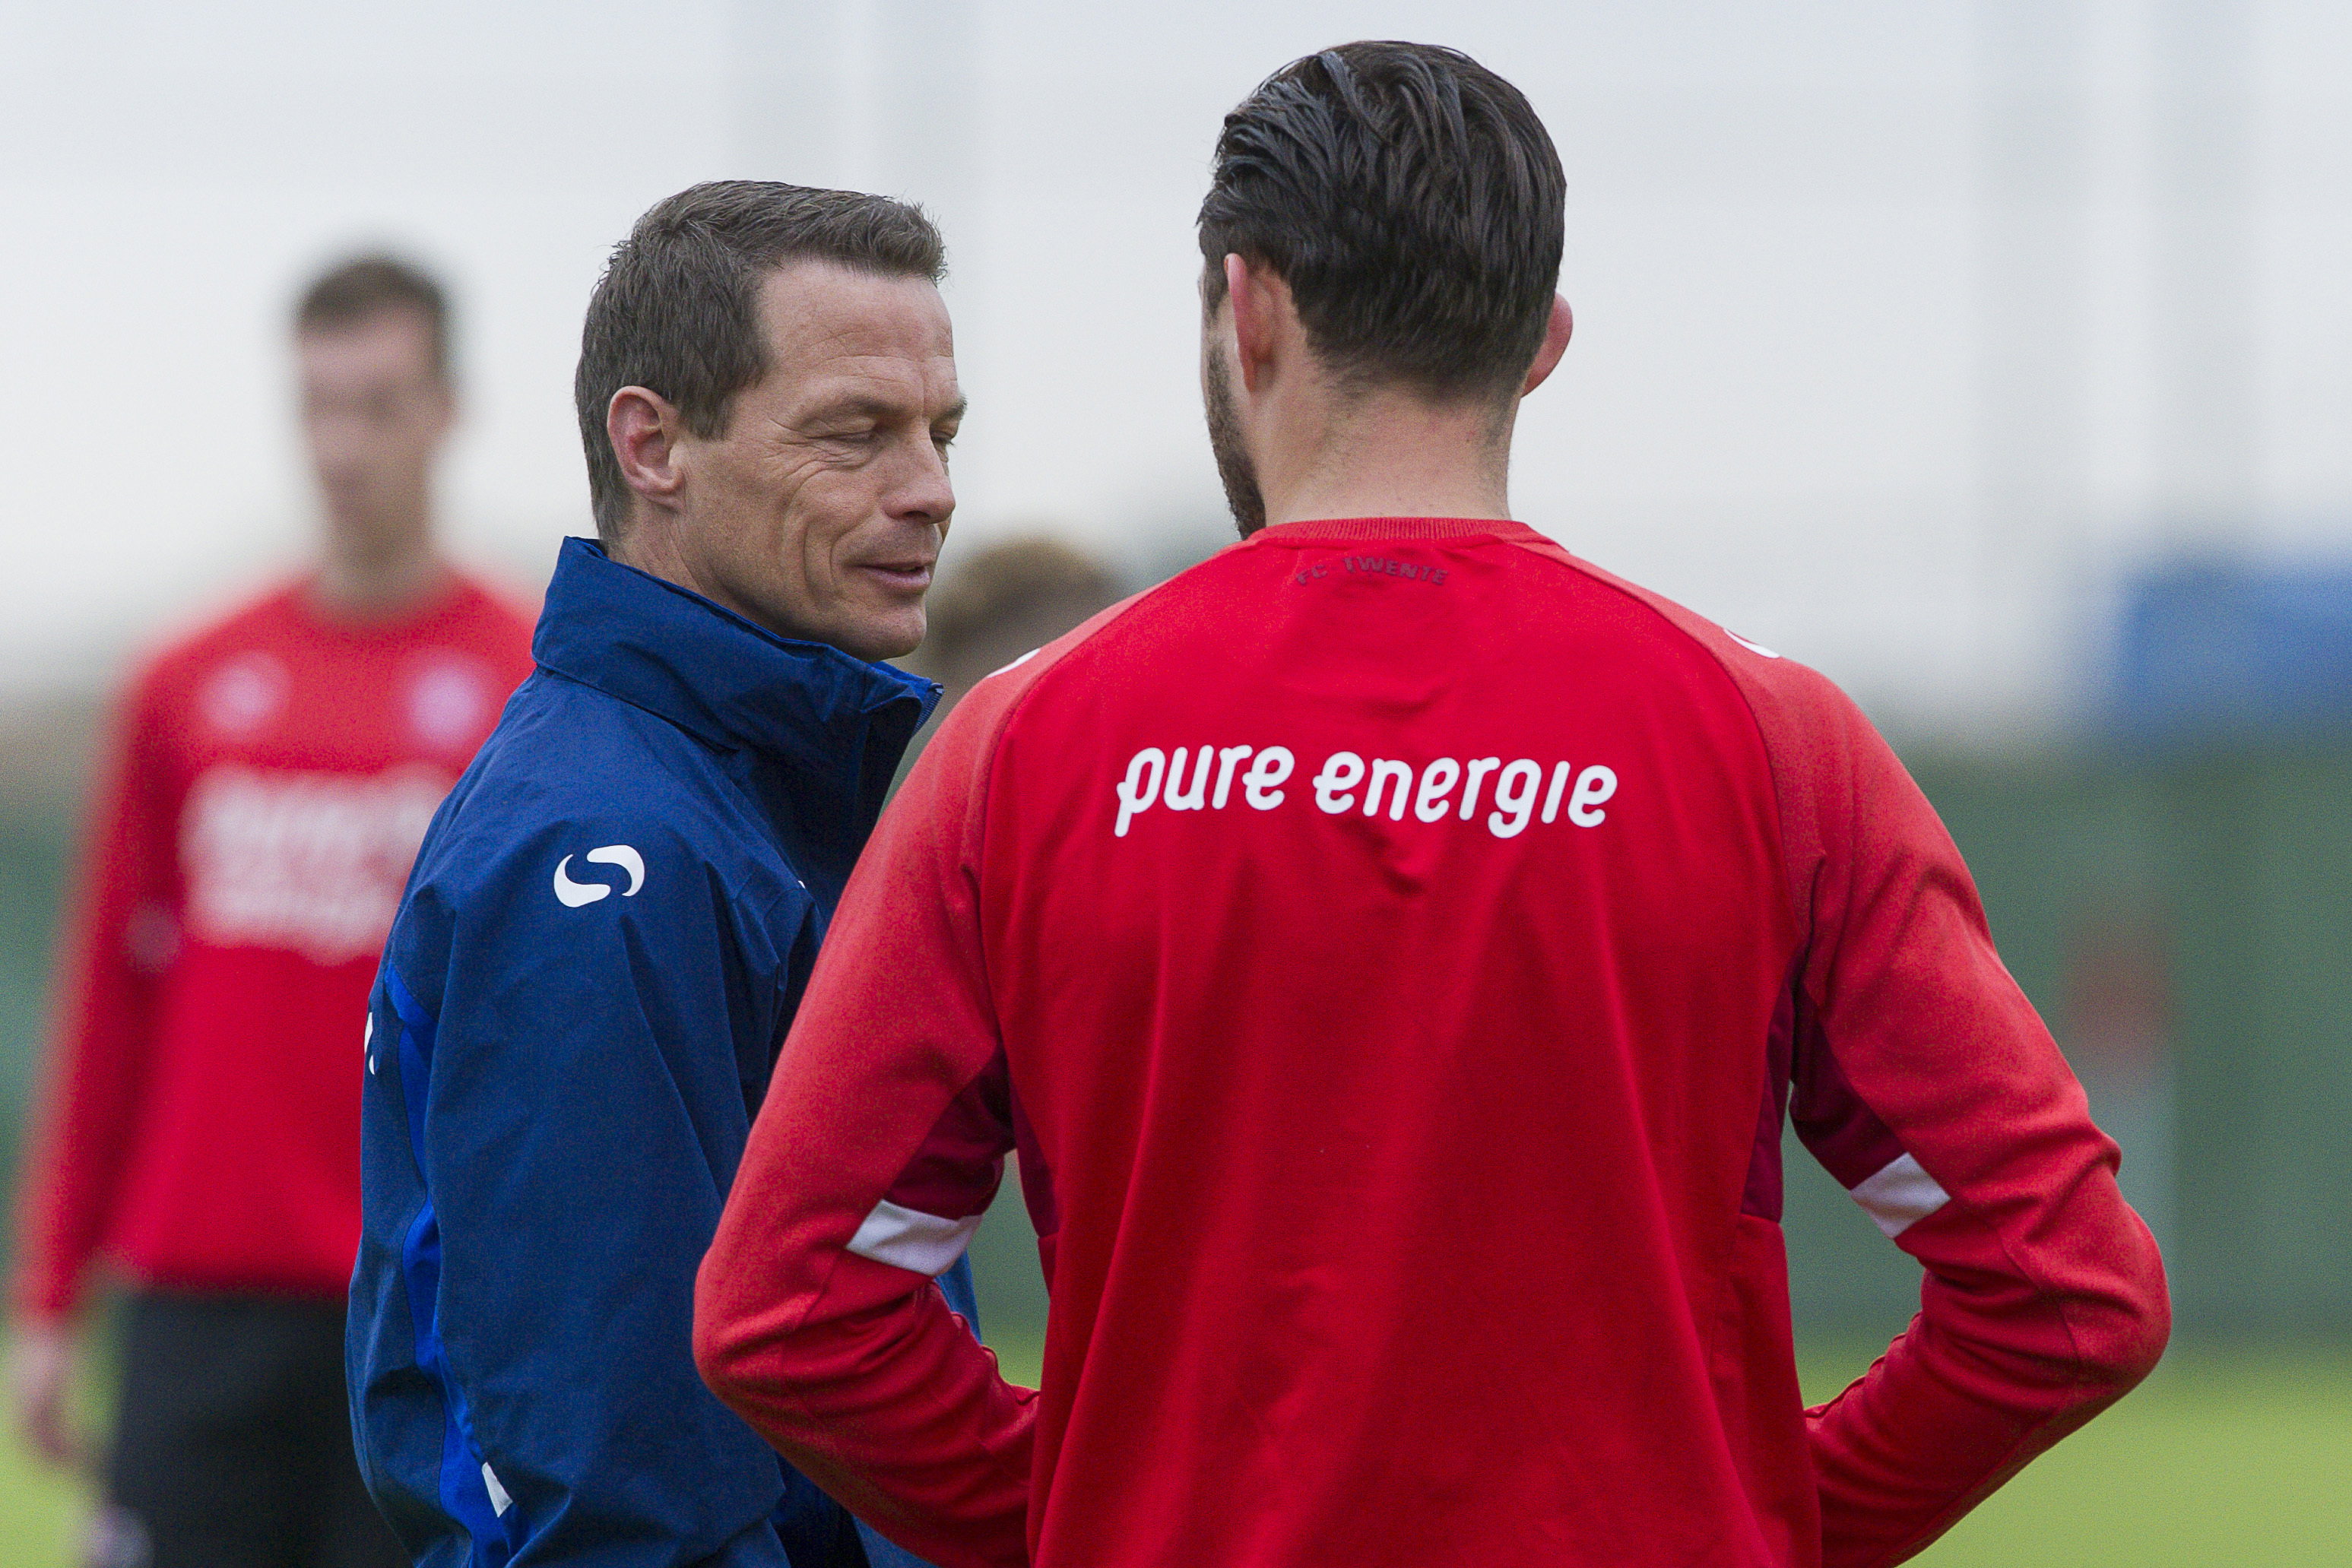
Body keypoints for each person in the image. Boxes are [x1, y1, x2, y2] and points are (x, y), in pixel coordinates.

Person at [694, 42, 2171, 1568]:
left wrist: (1102, 1515)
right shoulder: (1772, 741)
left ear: (1246, 311)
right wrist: (1759, 1524)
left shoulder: (1021, 749)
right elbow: (2066, 1292)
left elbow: (791, 1315)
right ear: (1540, 342)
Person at [346, 182, 978, 1568]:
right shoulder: (605, 848)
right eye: (854, 434)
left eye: (939, 433)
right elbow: (619, 1483)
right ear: (653, 446)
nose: (927, 487)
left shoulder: (751, 793)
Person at [9, 256, 535, 1568]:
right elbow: (109, 1005)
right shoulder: (187, 683)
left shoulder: (522, 685)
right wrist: (51, 1293)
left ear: (445, 411)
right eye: (318, 405)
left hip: (425, 1306)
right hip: (201, 1306)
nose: (343, 445)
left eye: (377, 404)